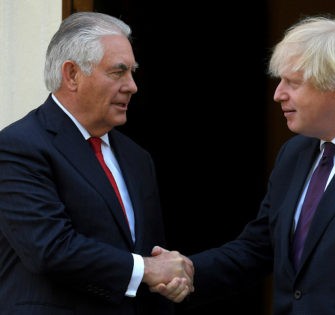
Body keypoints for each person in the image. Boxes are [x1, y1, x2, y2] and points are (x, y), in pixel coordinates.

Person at [156, 15, 335, 314]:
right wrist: (185, 272)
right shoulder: (294, 153)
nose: (278, 94)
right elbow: (259, 248)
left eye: (293, 83)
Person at [0, 12, 194, 315]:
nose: (132, 86)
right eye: (118, 72)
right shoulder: (19, 146)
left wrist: (168, 279)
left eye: (132, 72)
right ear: (72, 74)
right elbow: (49, 248)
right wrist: (147, 269)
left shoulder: (137, 158)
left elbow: (152, 256)